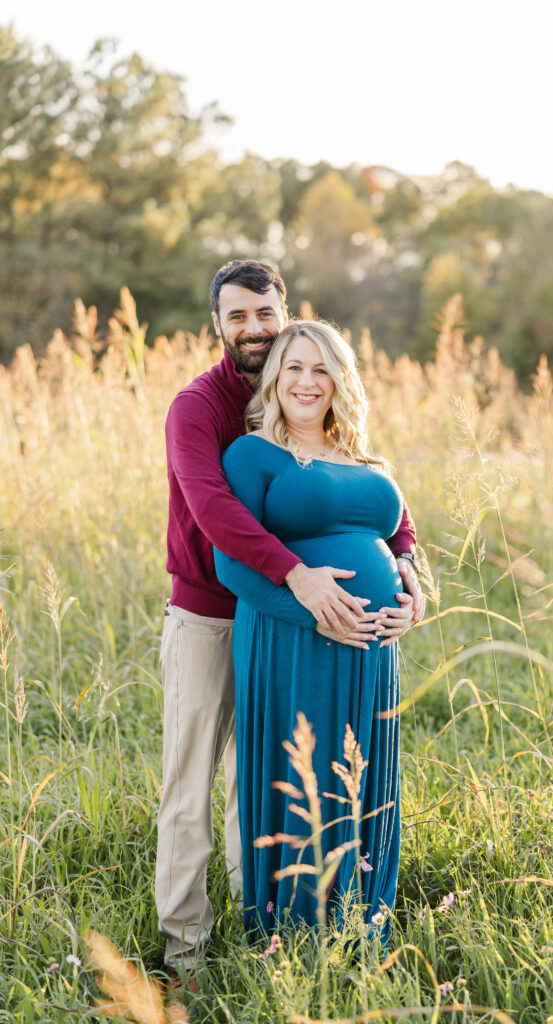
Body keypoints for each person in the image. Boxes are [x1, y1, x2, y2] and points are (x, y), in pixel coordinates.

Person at [156, 260, 424, 987]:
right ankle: (185, 955)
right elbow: (217, 514)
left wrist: (407, 569)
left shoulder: (316, 409)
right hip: (213, 614)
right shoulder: (201, 408)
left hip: (320, 634)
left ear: (284, 315)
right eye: (237, 316)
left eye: (264, 314)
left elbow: (384, 508)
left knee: (261, 783)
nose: (253, 328)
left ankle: (275, 932)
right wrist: (302, 587)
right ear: (218, 324)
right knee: (191, 787)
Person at [213, 319, 410, 936]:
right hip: (293, 640)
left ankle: (364, 923)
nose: (307, 381)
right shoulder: (252, 454)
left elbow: (399, 540)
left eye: (321, 369)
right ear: (275, 378)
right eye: (294, 367)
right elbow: (231, 564)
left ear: (340, 380)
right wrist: (316, 614)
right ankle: (297, 935)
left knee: (364, 776)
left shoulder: (361, 456)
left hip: (372, 650)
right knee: (306, 777)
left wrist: (413, 595)